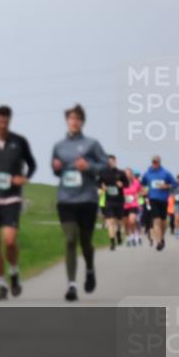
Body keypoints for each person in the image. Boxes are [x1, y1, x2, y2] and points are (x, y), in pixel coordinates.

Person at [0, 105, 36, 300]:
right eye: (0, 120)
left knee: (10, 241)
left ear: (9, 120)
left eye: (6, 120)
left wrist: (24, 177)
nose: (3, 123)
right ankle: (1, 285)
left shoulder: (19, 141)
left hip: (10, 198)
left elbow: (32, 164)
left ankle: (14, 272)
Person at [51, 103, 108, 302]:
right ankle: (72, 285)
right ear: (67, 121)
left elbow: (104, 166)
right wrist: (57, 167)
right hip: (66, 199)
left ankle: (90, 269)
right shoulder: (59, 146)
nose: (74, 122)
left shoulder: (92, 144)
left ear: (82, 121)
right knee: (69, 239)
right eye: (71, 118)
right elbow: (56, 169)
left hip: (87, 199)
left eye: (77, 119)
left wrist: (89, 166)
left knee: (85, 241)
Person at [139, 156, 177, 251]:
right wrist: (144, 191)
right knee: (156, 221)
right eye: (153, 162)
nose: (154, 164)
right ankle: (159, 242)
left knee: (163, 222)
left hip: (163, 200)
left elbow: (175, 184)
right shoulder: (148, 174)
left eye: (156, 162)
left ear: (159, 163)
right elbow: (142, 184)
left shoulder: (165, 173)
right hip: (153, 199)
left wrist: (166, 186)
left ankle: (161, 237)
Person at [98, 155, 130, 250]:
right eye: (108, 162)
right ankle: (112, 242)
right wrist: (102, 186)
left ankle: (119, 233)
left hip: (119, 201)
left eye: (112, 161)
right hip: (108, 201)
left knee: (119, 221)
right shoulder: (103, 173)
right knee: (110, 221)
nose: (110, 163)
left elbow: (127, 184)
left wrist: (122, 184)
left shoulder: (120, 173)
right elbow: (98, 182)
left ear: (115, 162)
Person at [123, 169, 142, 246]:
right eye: (125, 174)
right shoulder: (122, 183)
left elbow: (142, 191)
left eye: (129, 174)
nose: (127, 175)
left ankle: (135, 234)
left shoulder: (136, 182)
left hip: (133, 204)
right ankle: (128, 237)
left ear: (131, 174)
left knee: (132, 221)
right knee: (125, 223)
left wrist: (138, 195)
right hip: (123, 205)